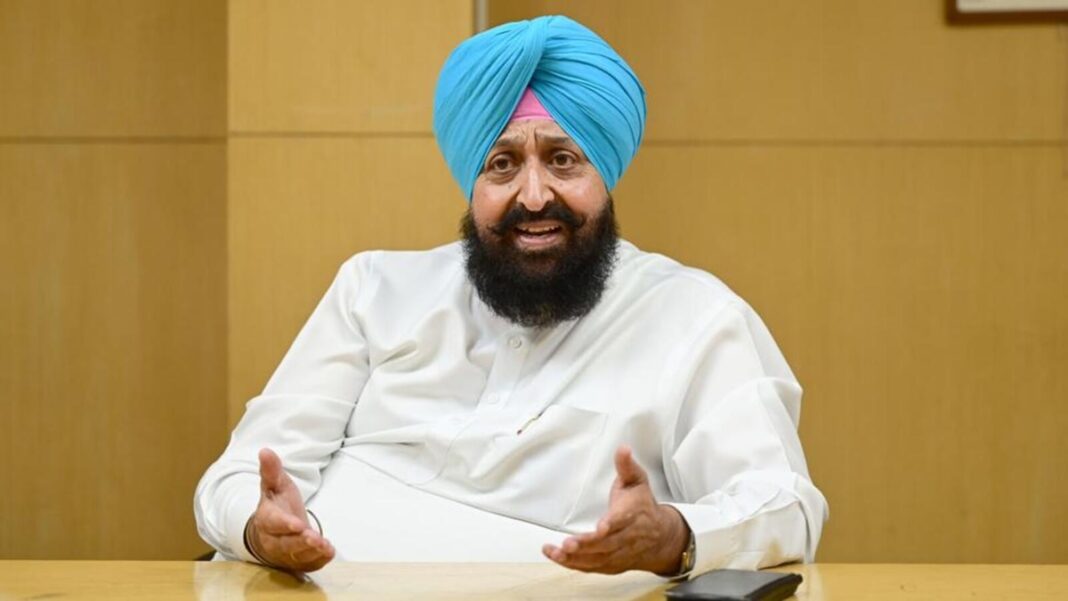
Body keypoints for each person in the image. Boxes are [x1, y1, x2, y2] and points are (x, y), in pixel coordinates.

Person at [194, 15, 828, 577]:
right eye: (502, 164)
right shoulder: (374, 289)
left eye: (563, 160)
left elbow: (785, 505)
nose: (533, 196)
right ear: (471, 179)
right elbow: (239, 475)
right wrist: (260, 531)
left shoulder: (697, 318)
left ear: (605, 173)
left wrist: (672, 537)